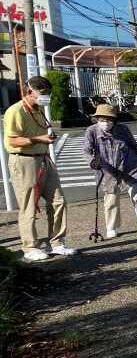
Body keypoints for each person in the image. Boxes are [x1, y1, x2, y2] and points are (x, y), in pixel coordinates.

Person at [2, 75, 75, 262]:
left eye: (49, 93)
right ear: (30, 92)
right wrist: (38, 139)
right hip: (23, 161)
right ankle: (30, 247)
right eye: (43, 93)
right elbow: (12, 141)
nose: (46, 97)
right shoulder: (15, 111)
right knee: (28, 206)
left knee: (58, 201)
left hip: (43, 158)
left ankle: (57, 242)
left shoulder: (39, 109)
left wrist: (46, 143)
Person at [82, 104, 137, 239]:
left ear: (114, 119)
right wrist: (92, 162)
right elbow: (87, 150)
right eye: (101, 119)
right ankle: (111, 228)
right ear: (97, 118)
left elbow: (134, 147)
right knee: (111, 201)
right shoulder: (91, 131)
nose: (105, 122)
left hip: (130, 168)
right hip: (107, 172)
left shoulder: (123, 129)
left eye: (108, 119)